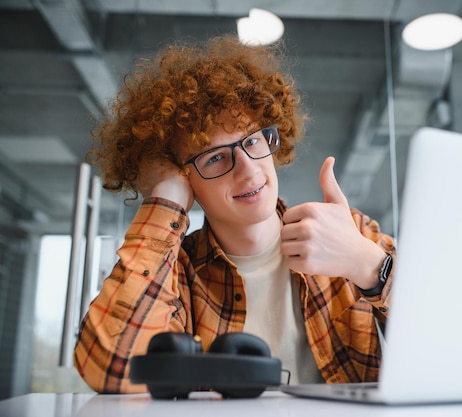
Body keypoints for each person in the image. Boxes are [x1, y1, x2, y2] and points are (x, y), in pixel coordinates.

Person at [73, 34, 395, 394]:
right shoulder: (175, 276)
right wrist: (163, 203)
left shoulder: (350, 234)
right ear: (184, 178)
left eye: (253, 140)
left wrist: (370, 266)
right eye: (214, 157)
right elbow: (114, 370)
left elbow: (455, 336)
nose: (248, 170)